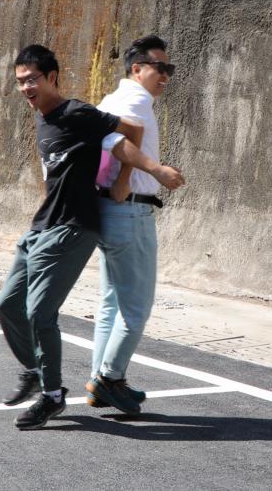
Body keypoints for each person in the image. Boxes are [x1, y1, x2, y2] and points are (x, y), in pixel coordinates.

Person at [0, 44, 184, 430]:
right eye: (20, 82)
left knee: (40, 313)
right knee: (7, 305)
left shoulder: (76, 112)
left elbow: (127, 134)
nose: (26, 87)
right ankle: (36, 370)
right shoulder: (43, 119)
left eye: (32, 79)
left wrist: (149, 171)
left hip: (73, 226)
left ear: (52, 77)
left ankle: (53, 396)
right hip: (42, 225)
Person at [85, 34, 183, 415]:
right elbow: (121, 137)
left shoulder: (111, 99)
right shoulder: (136, 99)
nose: (166, 75)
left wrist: (125, 175)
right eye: (160, 68)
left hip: (109, 211)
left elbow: (108, 138)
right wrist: (139, 174)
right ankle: (109, 378)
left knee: (111, 302)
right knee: (136, 307)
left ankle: (102, 380)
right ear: (137, 68)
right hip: (130, 213)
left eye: (168, 68)